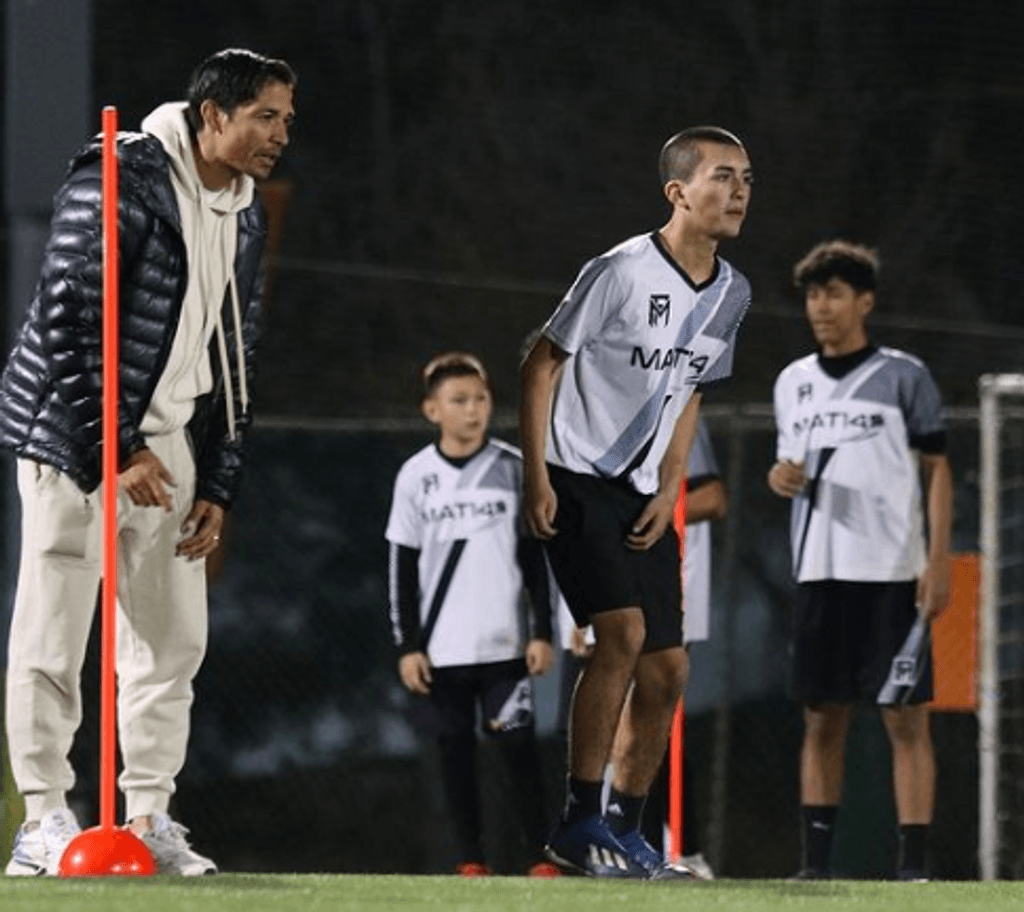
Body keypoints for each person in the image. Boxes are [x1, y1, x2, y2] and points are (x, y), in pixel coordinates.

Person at [0, 48, 296, 876]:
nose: (280, 135)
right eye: (266, 117)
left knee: (171, 641)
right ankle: (45, 820)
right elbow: (64, 318)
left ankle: (151, 817)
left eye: (286, 120)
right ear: (213, 115)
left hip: (169, 445)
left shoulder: (243, 209)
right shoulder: (116, 179)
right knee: (54, 632)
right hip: (75, 437)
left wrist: (221, 482)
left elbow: (238, 352)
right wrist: (113, 448)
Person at [520, 126, 753, 878]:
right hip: (577, 474)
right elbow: (539, 362)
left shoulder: (731, 291)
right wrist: (536, 474)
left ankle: (623, 830)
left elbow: (690, 393)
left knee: (668, 670)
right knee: (619, 636)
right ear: (678, 192)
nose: (742, 189)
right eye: (724, 175)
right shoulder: (618, 270)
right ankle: (576, 824)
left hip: (642, 494)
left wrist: (672, 484)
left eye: (748, 177)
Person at [767, 240, 953, 881]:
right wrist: (778, 479)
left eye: (834, 293)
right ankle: (815, 869)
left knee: (905, 718)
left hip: (892, 575)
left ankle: (913, 869)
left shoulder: (905, 375)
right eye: (813, 295)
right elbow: (786, 465)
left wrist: (939, 561)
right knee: (821, 717)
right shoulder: (792, 382)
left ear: (864, 301)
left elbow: (936, 469)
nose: (821, 306)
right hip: (819, 572)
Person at [385, 352, 559, 877]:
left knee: (519, 754)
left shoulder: (513, 468)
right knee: (454, 756)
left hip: (505, 648)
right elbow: (401, 566)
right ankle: (470, 861)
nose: (473, 410)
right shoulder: (416, 476)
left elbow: (534, 560)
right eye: (459, 401)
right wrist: (407, 646)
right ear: (431, 410)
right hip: (443, 652)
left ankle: (539, 859)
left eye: (480, 399)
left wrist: (542, 631)